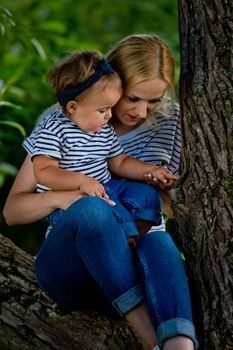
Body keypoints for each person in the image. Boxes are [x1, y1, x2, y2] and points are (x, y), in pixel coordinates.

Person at [3, 34, 199, 350]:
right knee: (92, 210)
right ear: (112, 84)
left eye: (154, 100)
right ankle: (148, 336)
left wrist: (160, 179)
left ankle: (179, 344)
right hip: (77, 265)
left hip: (134, 263)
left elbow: (134, 170)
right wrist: (65, 196)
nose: (143, 112)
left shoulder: (172, 124)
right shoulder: (63, 124)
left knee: (160, 241)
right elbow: (12, 211)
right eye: (133, 98)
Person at [29, 50, 176, 244]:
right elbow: (44, 172)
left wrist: (152, 170)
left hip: (105, 190)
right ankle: (124, 240)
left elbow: (120, 162)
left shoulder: (101, 128)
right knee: (101, 211)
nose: (109, 115)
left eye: (110, 108)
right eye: (103, 109)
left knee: (145, 194)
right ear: (73, 107)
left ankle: (134, 231)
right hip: (75, 204)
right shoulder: (53, 129)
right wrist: (82, 181)